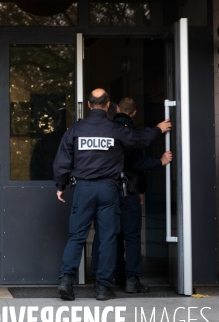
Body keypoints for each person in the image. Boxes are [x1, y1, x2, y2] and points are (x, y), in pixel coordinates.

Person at [53, 89, 171, 301]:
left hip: (84, 188)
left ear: (89, 105)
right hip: (108, 189)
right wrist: (157, 130)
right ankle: (102, 288)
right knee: (107, 238)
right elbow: (138, 140)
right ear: (108, 105)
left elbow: (62, 161)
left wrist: (61, 185)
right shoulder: (116, 129)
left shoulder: (75, 129)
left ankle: (66, 280)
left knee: (77, 236)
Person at [90, 97, 173, 293]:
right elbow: (137, 164)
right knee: (132, 236)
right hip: (129, 192)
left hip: (108, 191)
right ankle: (132, 280)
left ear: (116, 108)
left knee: (110, 235)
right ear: (134, 113)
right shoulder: (134, 134)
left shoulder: (108, 131)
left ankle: (113, 275)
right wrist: (160, 162)